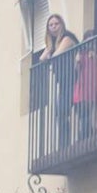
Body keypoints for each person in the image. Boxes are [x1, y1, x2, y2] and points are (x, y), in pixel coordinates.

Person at [39, 14, 80, 149]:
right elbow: (41, 59)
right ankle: (64, 145)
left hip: (74, 80)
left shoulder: (67, 37)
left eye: (56, 24)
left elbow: (58, 54)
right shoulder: (53, 43)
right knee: (60, 114)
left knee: (79, 111)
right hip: (63, 83)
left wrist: (50, 53)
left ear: (61, 25)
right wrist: (48, 51)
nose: (53, 27)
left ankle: (82, 138)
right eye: (50, 25)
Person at [73, 29, 97, 141]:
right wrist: (78, 59)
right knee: (85, 118)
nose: (92, 44)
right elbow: (77, 68)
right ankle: (83, 140)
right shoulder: (82, 56)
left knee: (92, 119)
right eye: (89, 41)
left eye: (93, 42)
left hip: (94, 92)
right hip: (83, 92)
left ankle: (88, 139)